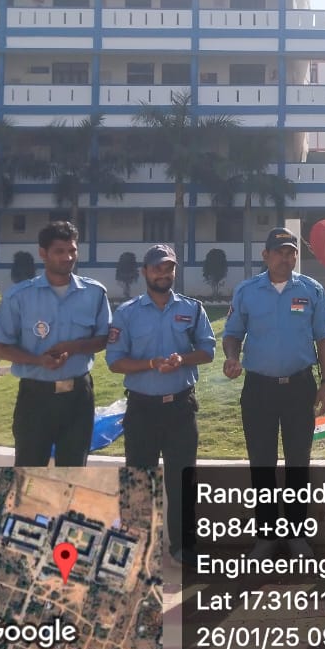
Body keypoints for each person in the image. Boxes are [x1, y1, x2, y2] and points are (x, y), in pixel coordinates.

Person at [222, 227, 325, 560]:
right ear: (266, 255)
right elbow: (232, 334)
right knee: (262, 463)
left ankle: (297, 535)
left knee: (299, 462)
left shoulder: (312, 290)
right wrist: (232, 357)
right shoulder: (247, 291)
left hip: (300, 388)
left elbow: (324, 339)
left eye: (291, 252)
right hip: (259, 389)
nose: (286, 258)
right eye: (279, 252)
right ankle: (267, 537)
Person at [106, 243, 215, 566]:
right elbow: (115, 361)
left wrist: (183, 359)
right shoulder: (127, 313)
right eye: (157, 268)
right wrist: (151, 364)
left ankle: (183, 546)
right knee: (140, 479)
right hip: (142, 410)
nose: (163, 273)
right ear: (145, 272)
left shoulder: (192, 309)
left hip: (180, 408)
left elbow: (208, 351)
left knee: (183, 480)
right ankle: (138, 548)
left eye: (169, 268)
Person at [0, 221, 111, 467]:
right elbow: (2, 346)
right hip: (36, 397)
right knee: (29, 470)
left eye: (72, 250)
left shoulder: (94, 293)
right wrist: (38, 360)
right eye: (59, 251)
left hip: (78, 397)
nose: (68, 257)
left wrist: (73, 347)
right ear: (43, 253)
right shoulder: (19, 296)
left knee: (73, 471)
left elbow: (103, 339)